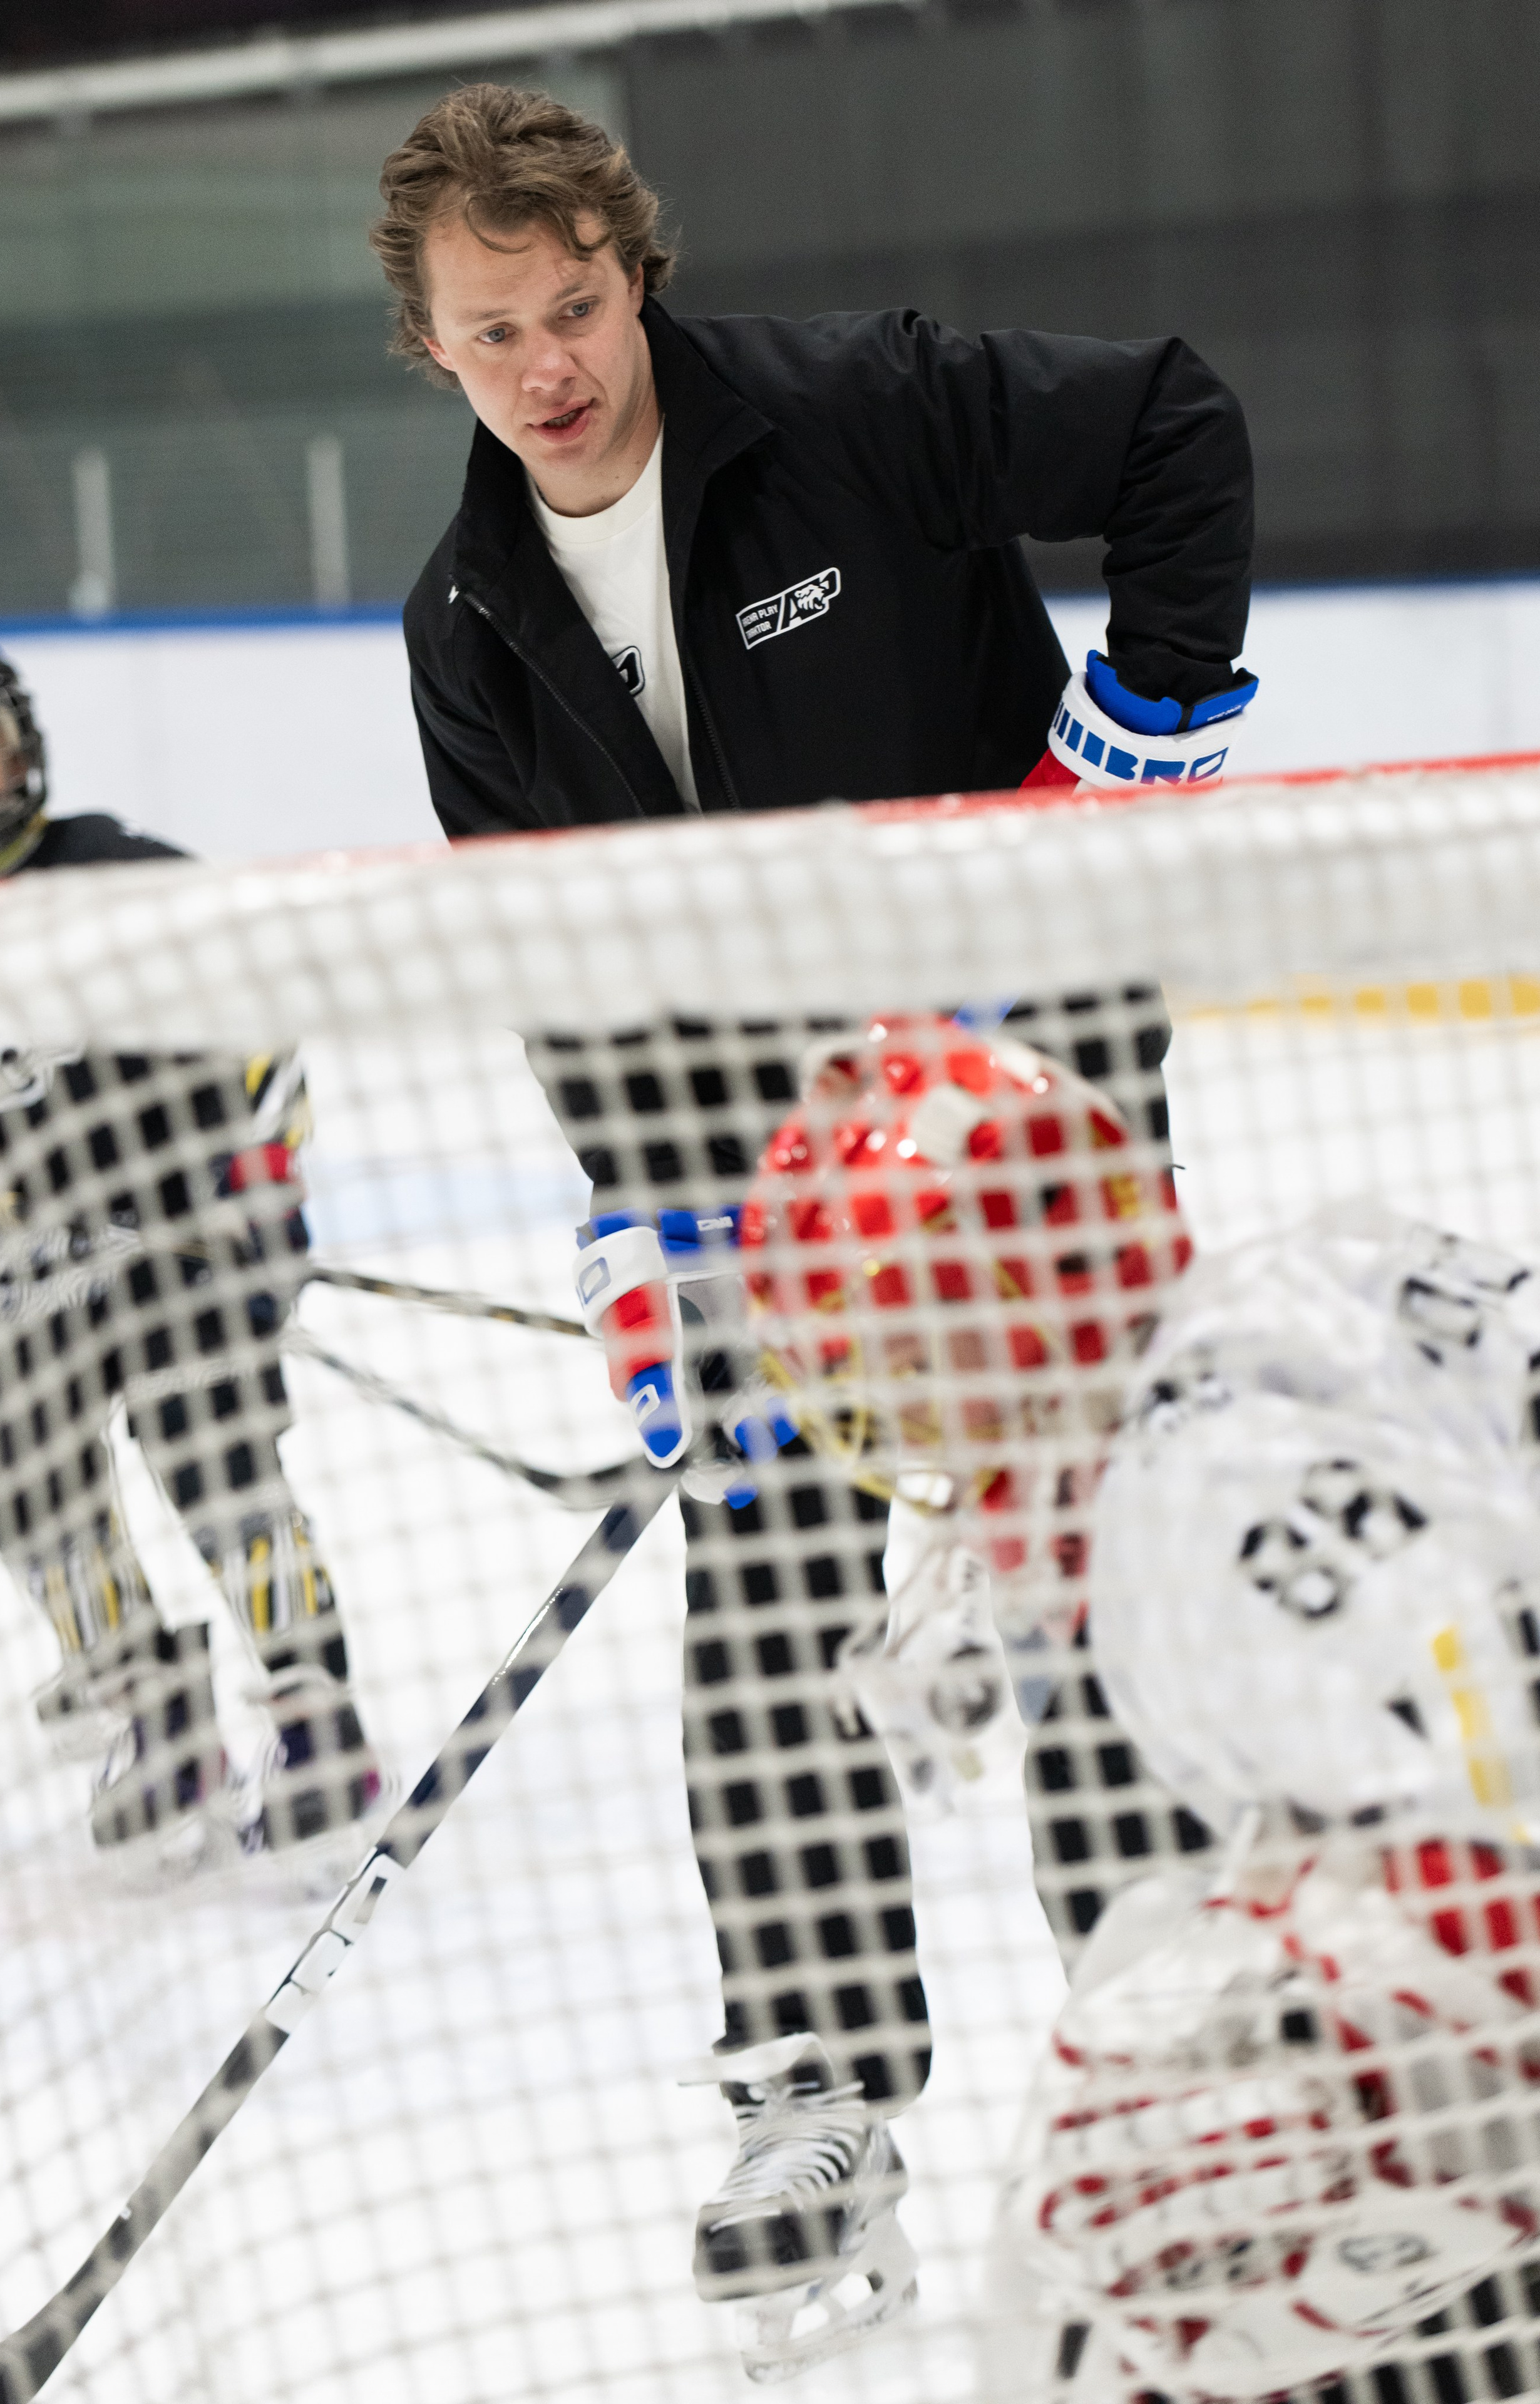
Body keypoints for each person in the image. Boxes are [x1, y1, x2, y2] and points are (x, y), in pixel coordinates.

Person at [371, 81, 1255, 2379]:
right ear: (430, 352)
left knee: (1073, 1531)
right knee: (763, 1578)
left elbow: (1175, 425)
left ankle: (1160, 2019)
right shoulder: (466, 617)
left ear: (630, 274)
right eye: (497, 330)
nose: (552, 361)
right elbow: (555, 949)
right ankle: (824, 2084)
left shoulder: (859, 408)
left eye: (577, 303)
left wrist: (1147, 722)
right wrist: (641, 1226)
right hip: (761, 1164)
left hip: (1022, 1089)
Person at [0, 621, 385, 1883]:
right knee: (24, 1495)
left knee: (218, 1469)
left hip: (176, 1252)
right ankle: (156, 1713)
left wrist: (257, 1202)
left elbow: (261, 1039)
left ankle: (316, 1720)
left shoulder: (118, 875)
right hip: (17, 1290)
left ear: (20, 749)